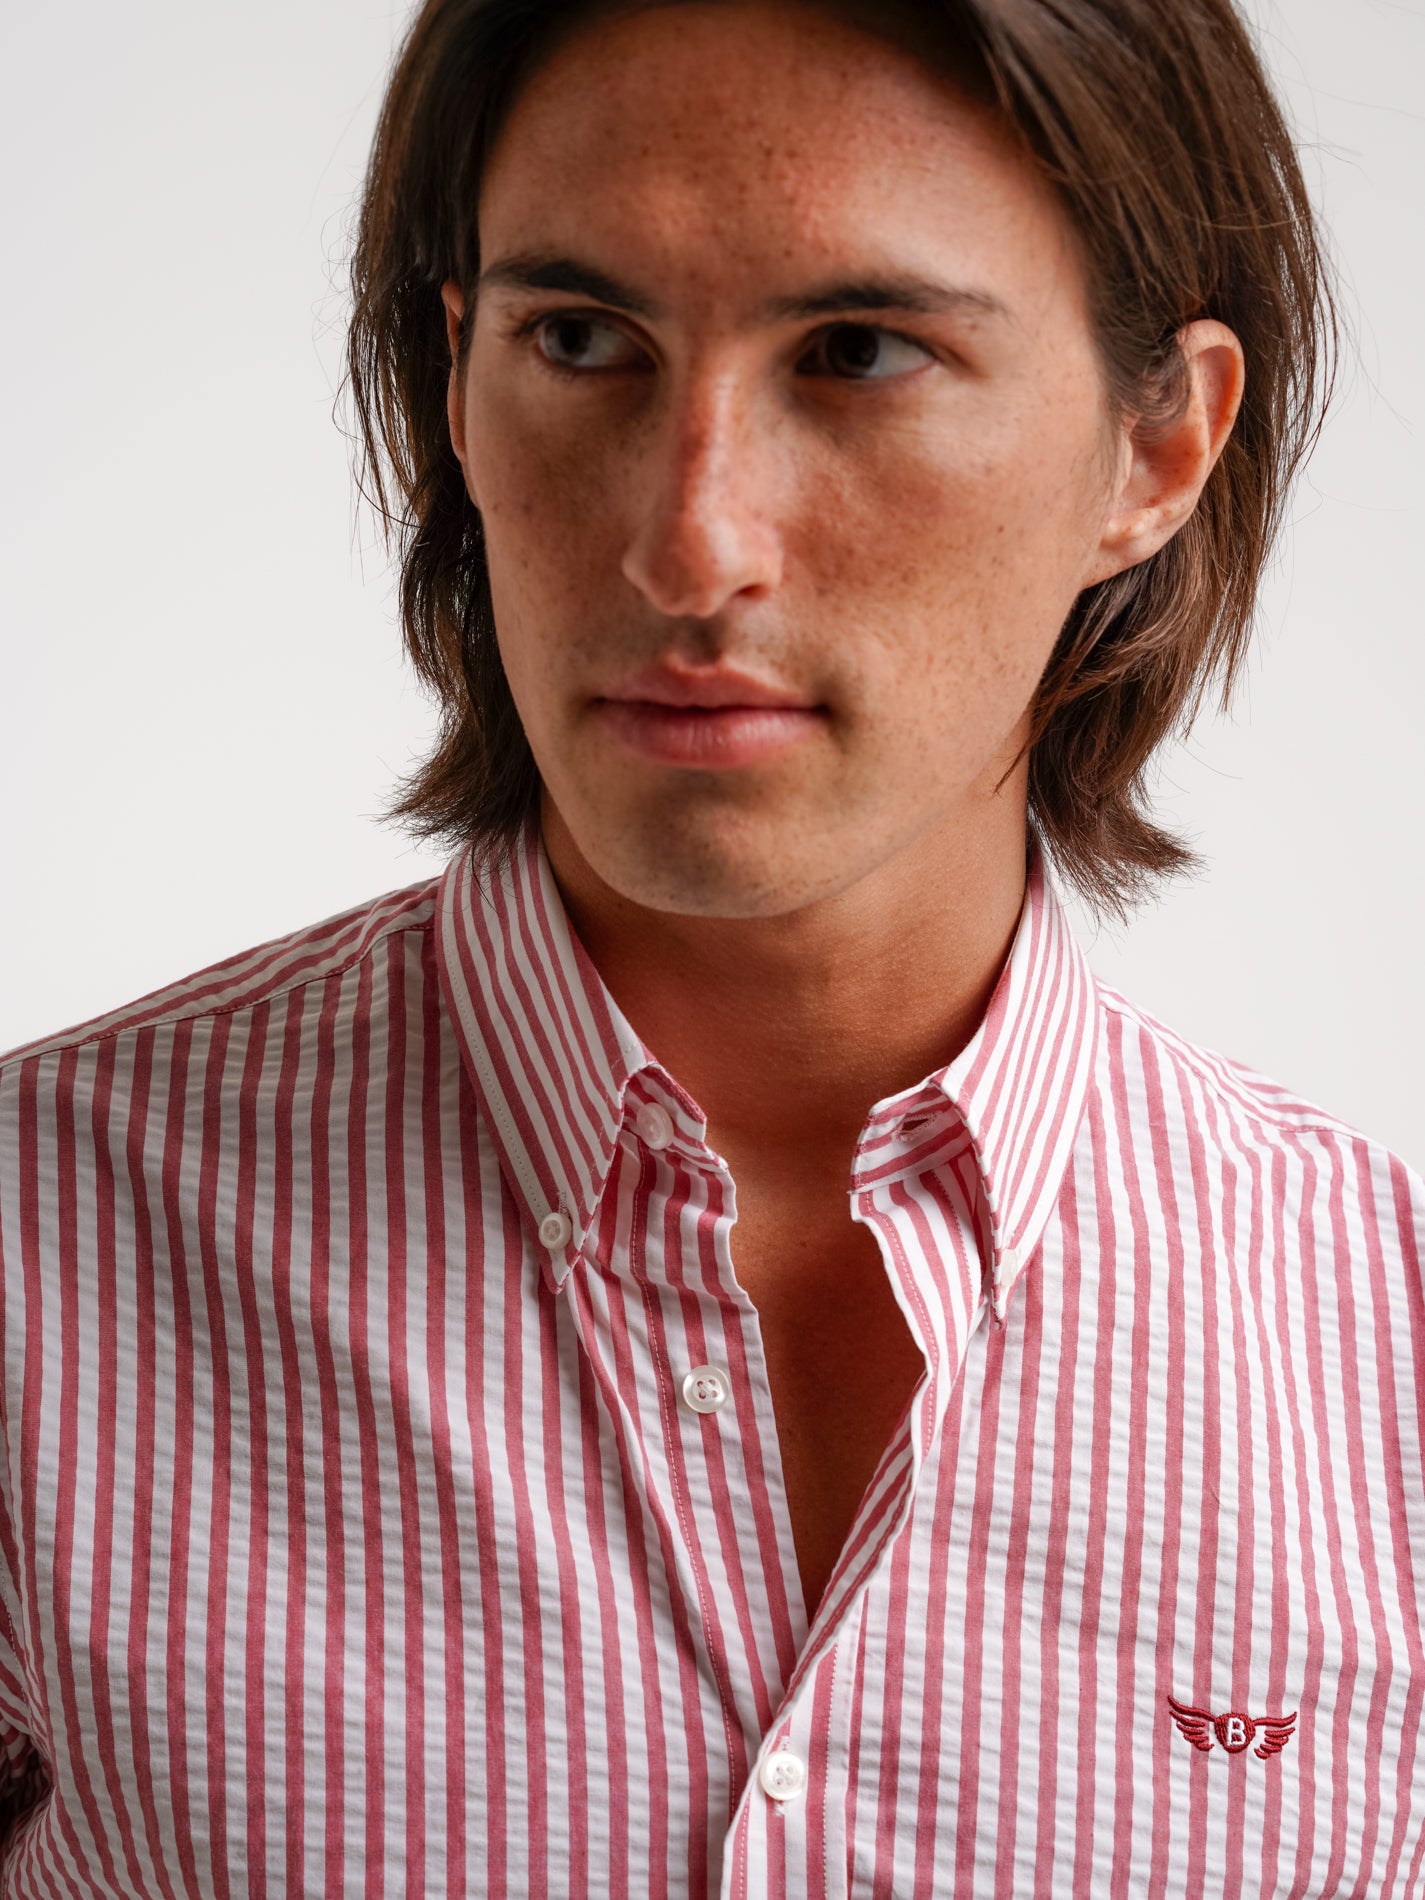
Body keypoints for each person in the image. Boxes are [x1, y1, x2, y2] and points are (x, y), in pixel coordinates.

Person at [0, 0, 1420, 1892]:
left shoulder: (1387, 1364)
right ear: (457, 384)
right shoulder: (36, 1261)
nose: (690, 545)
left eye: (860, 352)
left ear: (1155, 446)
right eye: (581, 340)